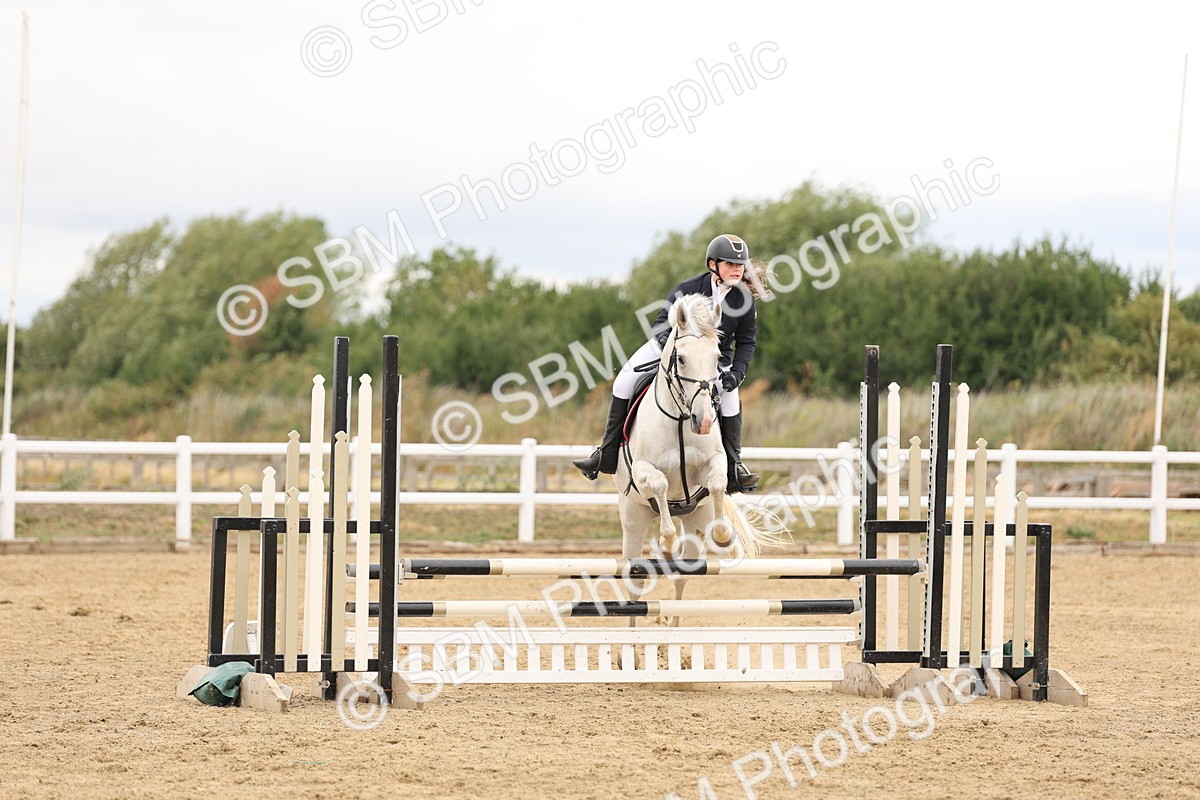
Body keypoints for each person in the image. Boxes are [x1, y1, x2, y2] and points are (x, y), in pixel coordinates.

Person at [572, 233, 762, 494]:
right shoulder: (690, 287)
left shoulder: (745, 301)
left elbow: (747, 343)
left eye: (740, 265)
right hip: (669, 347)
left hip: (712, 359)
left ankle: (734, 467)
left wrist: (737, 374)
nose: (737, 270)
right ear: (712, 265)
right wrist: (669, 347)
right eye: (730, 264)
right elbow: (661, 322)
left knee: (729, 399)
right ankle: (605, 453)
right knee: (623, 381)